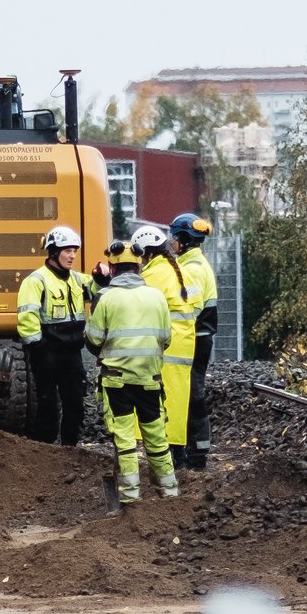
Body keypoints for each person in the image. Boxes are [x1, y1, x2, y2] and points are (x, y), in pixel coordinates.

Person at [84, 238, 177, 505]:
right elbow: (166, 339)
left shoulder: (105, 298)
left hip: (117, 383)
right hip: (150, 380)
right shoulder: (157, 297)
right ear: (138, 267)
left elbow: (93, 341)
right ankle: (170, 495)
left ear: (112, 269)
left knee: (125, 441)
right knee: (157, 439)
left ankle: (130, 498)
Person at [13, 223, 93, 446]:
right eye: (68, 251)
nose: (73, 256)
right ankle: (44, 451)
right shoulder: (36, 281)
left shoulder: (77, 279)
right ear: (54, 252)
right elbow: (27, 317)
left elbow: (97, 288)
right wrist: (38, 348)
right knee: (47, 404)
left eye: (74, 251)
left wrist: (101, 276)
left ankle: (70, 448)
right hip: (47, 352)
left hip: (72, 352)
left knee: (75, 403)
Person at [132, 223, 198, 471]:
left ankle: (164, 457)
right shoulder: (179, 270)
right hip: (184, 345)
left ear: (146, 252)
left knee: (156, 399)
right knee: (177, 399)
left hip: (164, 346)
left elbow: (135, 305)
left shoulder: (153, 275)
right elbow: (196, 303)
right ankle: (177, 454)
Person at [168, 211, 220, 469]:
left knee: (191, 393)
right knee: (190, 392)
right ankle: (193, 451)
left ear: (185, 240)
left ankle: (196, 454)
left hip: (194, 339)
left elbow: (189, 308)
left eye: (175, 237)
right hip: (198, 337)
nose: (172, 242)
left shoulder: (192, 269)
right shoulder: (193, 264)